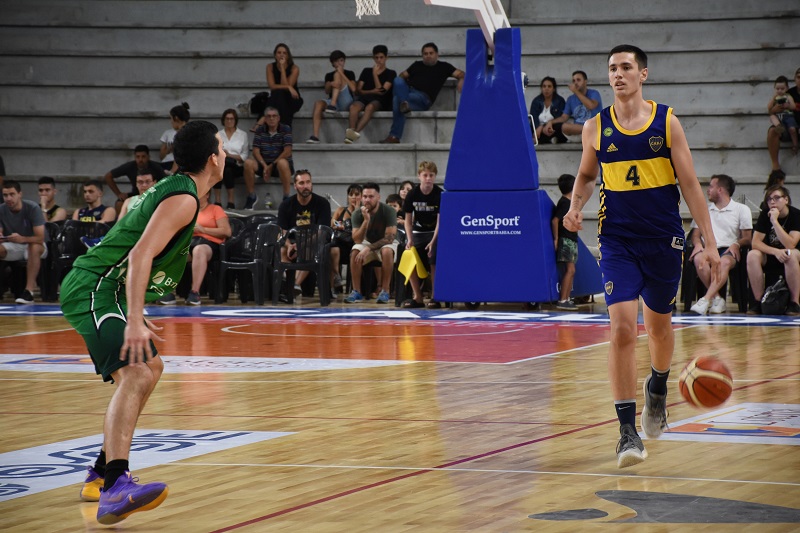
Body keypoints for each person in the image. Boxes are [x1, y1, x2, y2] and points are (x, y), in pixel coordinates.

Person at [563, 45, 720, 469]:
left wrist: (709, 241)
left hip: (663, 241)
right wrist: (575, 207)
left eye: (626, 67)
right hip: (617, 241)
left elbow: (690, 185)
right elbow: (586, 175)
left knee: (660, 330)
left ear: (643, 74)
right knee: (620, 330)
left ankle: (658, 386)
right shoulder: (595, 126)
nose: (618, 74)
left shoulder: (667, 122)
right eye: (612, 68)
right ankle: (626, 432)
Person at [61, 120, 223, 524]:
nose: (226, 153)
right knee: (135, 372)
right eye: (222, 147)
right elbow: (138, 254)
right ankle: (116, 486)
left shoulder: (176, 189)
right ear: (212, 158)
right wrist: (133, 318)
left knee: (152, 367)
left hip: (108, 288)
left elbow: (129, 235)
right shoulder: (183, 197)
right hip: (94, 286)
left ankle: (101, 472)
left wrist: (132, 305)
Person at [689, 174, 753, 315]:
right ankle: (717, 298)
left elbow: (747, 238)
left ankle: (705, 299)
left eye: (711, 186)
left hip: (729, 249)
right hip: (708, 248)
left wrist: (737, 244)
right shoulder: (704, 209)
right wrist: (698, 244)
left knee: (724, 262)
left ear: (720, 190)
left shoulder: (741, 209)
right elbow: (695, 235)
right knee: (699, 259)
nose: (708, 190)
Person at [380, 42, 464, 144]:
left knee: (396, 99)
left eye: (431, 53)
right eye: (425, 53)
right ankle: (404, 104)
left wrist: (461, 79)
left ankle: (394, 135)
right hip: (408, 92)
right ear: (422, 55)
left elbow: (461, 73)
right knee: (397, 80)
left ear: (437, 54)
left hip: (423, 98)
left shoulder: (444, 66)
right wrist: (402, 86)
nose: (428, 56)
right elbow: (402, 75)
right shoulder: (416, 65)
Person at [157, 191, 231, 305]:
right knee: (174, 252)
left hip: (211, 245)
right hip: (190, 242)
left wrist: (203, 230)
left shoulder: (215, 209)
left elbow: (226, 231)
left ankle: (195, 292)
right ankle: (168, 292)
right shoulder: (188, 211)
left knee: (199, 250)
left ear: (207, 195)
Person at [745, 185, 800, 316]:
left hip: (794, 254)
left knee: (790, 254)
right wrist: (775, 251)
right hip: (772, 254)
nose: (772, 202)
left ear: (786, 199)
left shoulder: (796, 215)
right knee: (752, 255)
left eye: (776, 198)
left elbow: (791, 244)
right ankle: (759, 301)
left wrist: (775, 222)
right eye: (769, 199)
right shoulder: (765, 214)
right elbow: (755, 243)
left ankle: (794, 302)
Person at [276, 170, 331, 296]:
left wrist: (301, 246)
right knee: (282, 250)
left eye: (308, 182)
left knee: (309, 249)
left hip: (314, 242)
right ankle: (289, 283)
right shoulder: (286, 205)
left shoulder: (322, 203)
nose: (305, 186)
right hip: (293, 242)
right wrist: (289, 245)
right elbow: (282, 230)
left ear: (311, 184)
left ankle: (294, 285)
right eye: (301, 183)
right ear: (295, 186)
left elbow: (322, 231)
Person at [344, 183, 398, 304]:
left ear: (378, 197)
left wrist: (368, 248)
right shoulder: (357, 213)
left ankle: (385, 291)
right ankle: (356, 291)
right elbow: (357, 240)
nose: (367, 199)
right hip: (367, 241)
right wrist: (366, 221)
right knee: (355, 251)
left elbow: (389, 238)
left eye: (371, 196)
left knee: (387, 251)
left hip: (386, 242)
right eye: (365, 196)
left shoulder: (388, 210)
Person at [401, 161, 442, 309]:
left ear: (435, 176)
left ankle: (435, 296)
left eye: (431, 175)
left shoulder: (440, 194)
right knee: (408, 254)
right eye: (425, 175)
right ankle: (417, 297)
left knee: (434, 256)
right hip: (418, 232)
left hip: (434, 232)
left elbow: (440, 222)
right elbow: (407, 220)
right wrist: (409, 239)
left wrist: (433, 241)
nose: (428, 178)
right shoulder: (412, 194)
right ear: (419, 176)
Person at [0, 180, 47, 304]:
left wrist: (23, 238)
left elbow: (40, 238)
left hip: (37, 245)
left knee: (33, 247)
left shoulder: (32, 208)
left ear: (20, 194)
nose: (8, 198)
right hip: (14, 245)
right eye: (5, 195)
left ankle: (29, 292)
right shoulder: (1, 209)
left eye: (12, 194)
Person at [243, 107, 294, 209]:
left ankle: (286, 197)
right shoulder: (260, 130)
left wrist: (271, 165)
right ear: (265, 119)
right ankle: (251, 196)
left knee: (282, 163)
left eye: (274, 116)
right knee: (248, 163)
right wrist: (265, 166)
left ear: (278, 118)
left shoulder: (285, 129)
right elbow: (256, 151)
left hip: (279, 165)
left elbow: (287, 151)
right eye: (269, 116)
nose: (271, 118)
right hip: (263, 164)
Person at [345, 45, 397, 144]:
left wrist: (374, 74)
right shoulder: (366, 71)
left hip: (381, 101)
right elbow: (358, 90)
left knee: (370, 107)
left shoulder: (391, 73)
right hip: (365, 98)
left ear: (386, 58)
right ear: (373, 58)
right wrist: (372, 91)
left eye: (381, 57)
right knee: (353, 107)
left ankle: (353, 135)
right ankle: (351, 132)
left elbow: (381, 92)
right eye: (376, 57)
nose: (379, 60)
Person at [307, 50, 356, 144]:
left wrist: (341, 74)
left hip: (346, 100)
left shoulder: (350, 73)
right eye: (336, 61)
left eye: (341, 60)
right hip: (333, 101)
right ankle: (315, 136)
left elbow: (354, 89)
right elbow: (327, 91)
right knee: (318, 103)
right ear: (332, 63)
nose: (339, 63)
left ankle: (332, 105)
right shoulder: (329, 75)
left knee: (337, 74)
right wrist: (331, 83)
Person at [103, 145, 165, 212]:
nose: (140, 159)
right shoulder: (130, 166)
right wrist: (119, 194)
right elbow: (108, 176)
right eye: (138, 157)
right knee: (119, 203)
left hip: (153, 194)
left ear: (148, 157)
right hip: (136, 193)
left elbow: (166, 182)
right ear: (134, 157)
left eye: (143, 156)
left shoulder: (156, 168)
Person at [547, 70, 602, 139]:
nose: (575, 83)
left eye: (578, 80)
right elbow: (564, 117)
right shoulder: (571, 99)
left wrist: (575, 91)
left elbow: (591, 106)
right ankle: (588, 133)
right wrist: (551, 122)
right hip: (578, 130)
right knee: (564, 127)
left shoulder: (594, 93)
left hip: (594, 126)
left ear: (585, 82)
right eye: (574, 81)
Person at [551, 174, 578, 310]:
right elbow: (555, 220)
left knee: (571, 270)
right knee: (570, 269)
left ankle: (566, 298)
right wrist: (556, 238)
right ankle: (562, 300)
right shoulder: (564, 203)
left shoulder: (569, 203)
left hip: (571, 239)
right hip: (566, 240)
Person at [330, 183, 362, 291]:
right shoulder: (340, 210)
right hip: (340, 242)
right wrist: (340, 225)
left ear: (361, 196)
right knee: (332, 247)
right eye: (351, 194)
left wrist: (357, 210)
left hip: (354, 244)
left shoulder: (364, 211)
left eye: (356, 194)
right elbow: (333, 223)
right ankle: (336, 275)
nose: (353, 197)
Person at [216, 108, 250, 208]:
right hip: (222, 163)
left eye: (231, 119)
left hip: (237, 165)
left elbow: (245, 155)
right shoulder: (218, 135)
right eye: (227, 119)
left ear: (235, 120)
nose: (229, 121)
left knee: (228, 170)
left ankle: (230, 200)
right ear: (223, 120)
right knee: (221, 169)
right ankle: (218, 200)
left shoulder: (242, 135)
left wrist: (229, 155)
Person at [264, 43, 303, 128]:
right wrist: (288, 86)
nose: (281, 55)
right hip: (276, 97)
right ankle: (285, 129)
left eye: (284, 53)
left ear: (288, 56)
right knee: (278, 94)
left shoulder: (294, 68)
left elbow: (285, 88)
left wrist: (282, 68)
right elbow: (272, 86)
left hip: (292, 98)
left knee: (279, 95)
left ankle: (262, 120)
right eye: (279, 52)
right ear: (275, 55)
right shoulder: (270, 67)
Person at [530, 76, 568, 144]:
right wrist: (538, 128)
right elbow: (533, 118)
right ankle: (548, 140)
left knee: (558, 127)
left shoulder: (559, 101)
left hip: (552, 128)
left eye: (549, 86)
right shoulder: (536, 101)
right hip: (537, 129)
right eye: (544, 86)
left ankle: (539, 140)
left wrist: (542, 127)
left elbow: (559, 119)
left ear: (554, 89)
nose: (546, 89)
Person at [160, 103, 191, 173]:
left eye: (171, 118)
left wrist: (171, 172)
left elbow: (180, 156)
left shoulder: (183, 134)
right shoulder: (188, 131)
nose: (171, 121)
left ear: (176, 118)